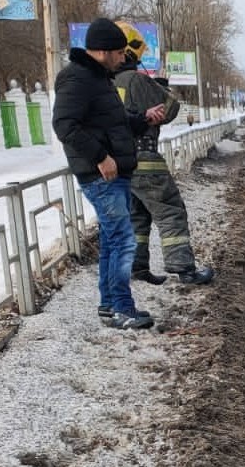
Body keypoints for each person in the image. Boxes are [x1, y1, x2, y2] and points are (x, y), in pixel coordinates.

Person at [53, 16, 167, 330]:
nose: (123, 58)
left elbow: (114, 123)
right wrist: (101, 157)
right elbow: (65, 126)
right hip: (100, 175)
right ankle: (121, 308)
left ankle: (109, 305)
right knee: (123, 241)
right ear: (103, 51)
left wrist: (144, 118)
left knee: (112, 240)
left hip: (113, 174)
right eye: (119, 52)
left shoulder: (99, 77)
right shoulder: (77, 78)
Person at [112, 21, 215, 287]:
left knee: (137, 214)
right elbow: (170, 109)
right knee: (171, 211)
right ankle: (184, 270)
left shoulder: (105, 84)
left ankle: (137, 267)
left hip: (119, 162)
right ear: (131, 52)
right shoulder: (135, 79)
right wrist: (159, 87)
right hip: (144, 158)